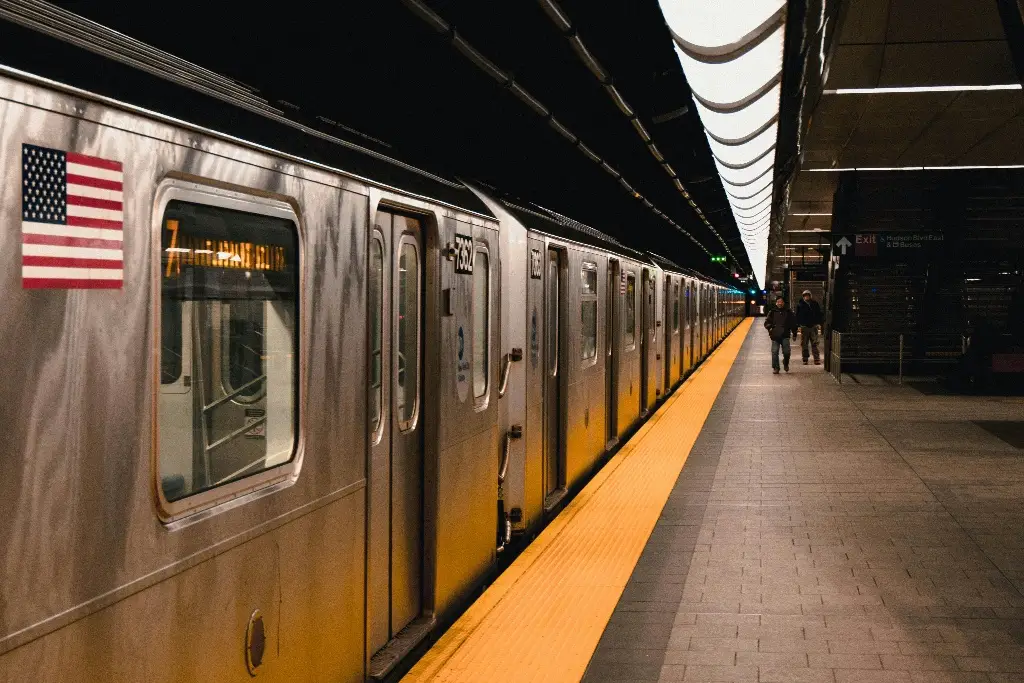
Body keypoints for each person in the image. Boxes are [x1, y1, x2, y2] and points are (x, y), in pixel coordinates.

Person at [764, 295, 797, 374]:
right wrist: (770, 328)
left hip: (785, 335)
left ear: (784, 303)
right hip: (775, 335)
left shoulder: (789, 312)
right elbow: (766, 322)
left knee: (787, 352)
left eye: (781, 302)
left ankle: (785, 363)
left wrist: (794, 333)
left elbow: (793, 323)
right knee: (774, 352)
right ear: (776, 303)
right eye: (778, 302)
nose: (780, 303)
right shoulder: (772, 312)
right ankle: (776, 368)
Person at [795, 289, 823, 365]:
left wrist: (818, 323)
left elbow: (818, 314)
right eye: (805, 295)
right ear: (803, 297)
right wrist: (798, 325)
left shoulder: (815, 304)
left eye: (808, 295)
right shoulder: (800, 305)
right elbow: (797, 316)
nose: (806, 297)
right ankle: (805, 359)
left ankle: (816, 359)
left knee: (815, 343)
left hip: (813, 326)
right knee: (804, 344)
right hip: (804, 327)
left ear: (810, 296)